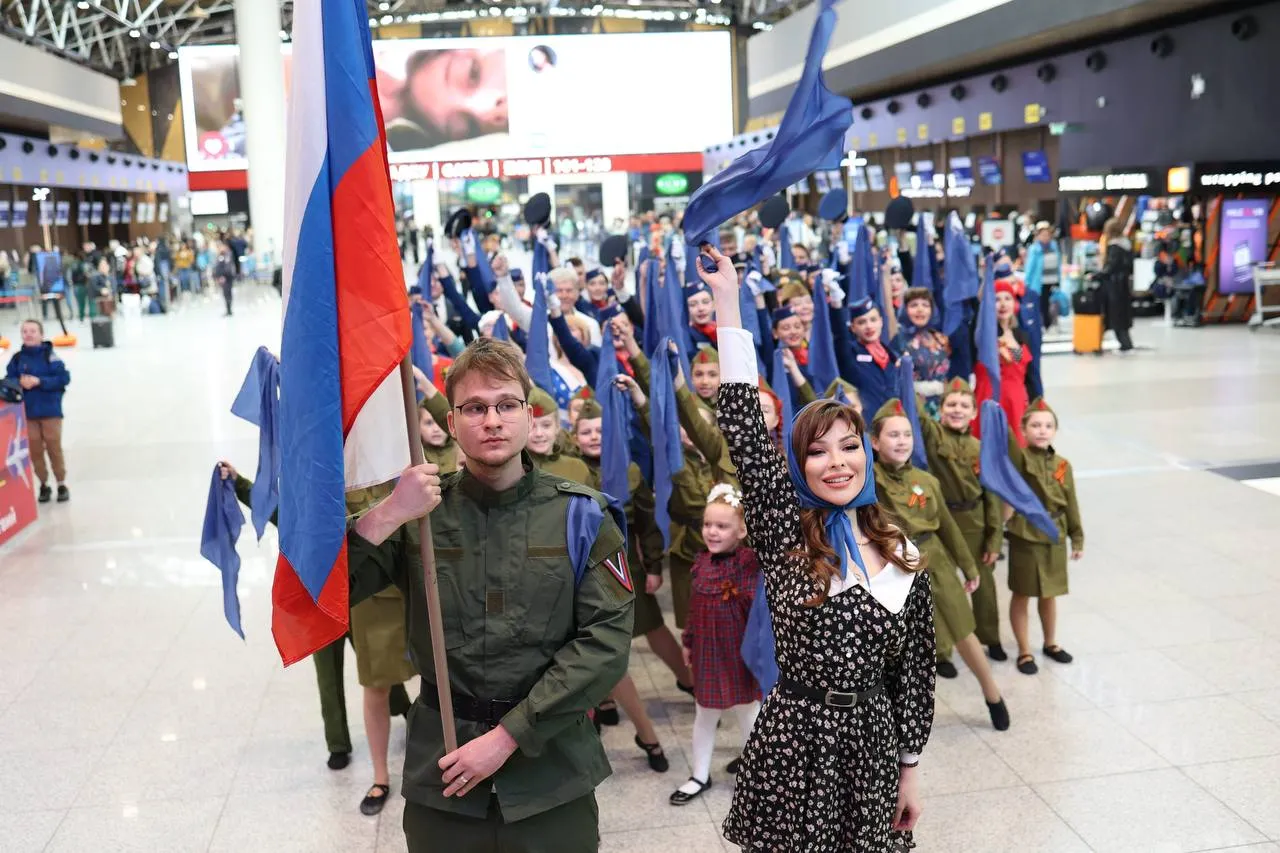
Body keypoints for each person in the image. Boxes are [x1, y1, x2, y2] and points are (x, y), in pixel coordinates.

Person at [347, 338, 633, 851]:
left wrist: (505, 739)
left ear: (529, 414)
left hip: (551, 775)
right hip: (446, 774)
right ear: (452, 422)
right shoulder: (420, 513)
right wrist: (389, 512)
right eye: (475, 408)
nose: (492, 421)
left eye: (505, 405)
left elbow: (605, 646)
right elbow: (331, 592)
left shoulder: (582, 516)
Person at [699, 245, 935, 850]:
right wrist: (730, 303)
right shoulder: (784, 532)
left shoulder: (903, 553)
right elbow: (746, 429)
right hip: (796, 740)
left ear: (868, 454)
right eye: (818, 450)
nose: (837, 463)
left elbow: (912, 676)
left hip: (874, 746)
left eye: (849, 446)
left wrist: (910, 770)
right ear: (799, 465)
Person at [870, 400, 1010, 728]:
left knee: (963, 629)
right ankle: (890, 715)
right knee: (898, 643)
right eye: (892, 435)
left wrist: (970, 567)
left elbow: (947, 526)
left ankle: (992, 694)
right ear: (874, 442)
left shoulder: (927, 480)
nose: (902, 441)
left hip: (934, 559)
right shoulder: (869, 479)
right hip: (894, 564)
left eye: (907, 434)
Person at [670, 483, 761, 806]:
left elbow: (759, 611)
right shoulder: (702, 562)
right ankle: (699, 775)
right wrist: (688, 641)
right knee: (704, 714)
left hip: (740, 655)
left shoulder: (750, 563)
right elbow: (694, 609)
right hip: (708, 652)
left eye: (722, 526)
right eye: (708, 524)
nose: (712, 531)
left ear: (741, 530)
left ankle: (756, 769)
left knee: (749, 714)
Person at [918, 379, 1006, 663]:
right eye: (951, 404)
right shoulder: (934, 436)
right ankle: (942, 652)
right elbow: (917, 414)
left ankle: (990, 638)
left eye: (964, 405)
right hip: (942, 521)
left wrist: (995, 537)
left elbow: (992, 496)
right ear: (940, 410)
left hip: (974, 521)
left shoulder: (981, 447)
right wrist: (906, 376)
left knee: (984, 586)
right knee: (941, 588)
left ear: (974, 413)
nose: (957, 410)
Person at [1006, 399, 1084, 675]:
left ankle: (1050, 643)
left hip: (1054, 534)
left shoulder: (1064, 465)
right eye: (1035, 425)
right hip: (1025, 534)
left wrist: (1077, 537)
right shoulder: (1018, 459)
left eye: (1048, 426)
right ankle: (1025, 650)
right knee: (1022, 592)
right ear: (1023, 430)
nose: (1041, 430)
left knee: (1049, 593)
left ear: (1055, 431)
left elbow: (1070, 501)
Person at [6, 319, 71, 503]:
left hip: (50, 411)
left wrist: (39, 381)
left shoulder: (50, 356)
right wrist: (18, 382)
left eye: (32, 331)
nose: (28, 334)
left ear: (41, 334)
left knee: (53, 447)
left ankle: (61, 482)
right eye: (25, 331)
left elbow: (63, 378)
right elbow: (8, 379)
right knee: (34, 450)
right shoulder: (17, 359)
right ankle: (43, 484)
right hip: (28, 413)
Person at [974, 275, 1033, 446]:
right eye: (996, 299)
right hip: (989, 398)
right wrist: (987, 274)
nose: (1002, 304)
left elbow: (1030, 375)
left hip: (1016, 402)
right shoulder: (982, 335)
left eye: (1007, 298)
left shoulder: (1021, 335)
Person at [893, 288, 950, 419]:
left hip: (942, 409)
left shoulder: (939, 338)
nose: (920, 309)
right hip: (911, 407)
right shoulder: (898, 339)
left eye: (925, 305)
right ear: (905, 309)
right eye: (914, 305)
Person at [1098, 217, 1136, 353]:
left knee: (1115, 315)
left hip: (1114, 286)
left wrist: (1098, 275)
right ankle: (1126, 342)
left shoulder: (1114, 246)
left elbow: (1111, 266)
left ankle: (1125, 344)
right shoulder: (1126, 244)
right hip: (1123, 284)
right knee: (1122, 315)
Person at [213, 243, 236, 316]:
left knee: (228, 293)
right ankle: (228, 309)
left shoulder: (228, 256)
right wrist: (217, 276)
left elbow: (228, 267)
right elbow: (217, 267)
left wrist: (223, 276)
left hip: (227, 277)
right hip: (223, 277)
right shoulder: (220, 256)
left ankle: (229, 310)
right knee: (226, 293)